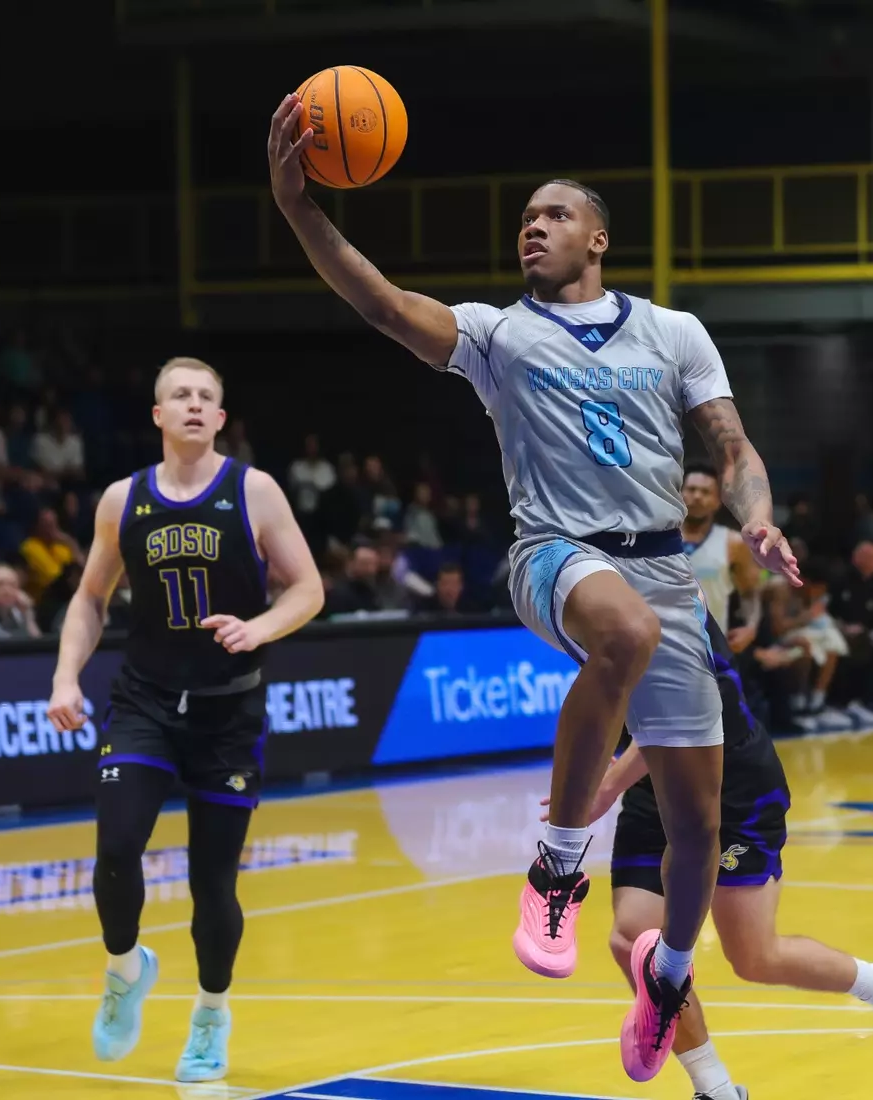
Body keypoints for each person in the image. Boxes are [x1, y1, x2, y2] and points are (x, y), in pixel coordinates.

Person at [268, 95, 800, 1081]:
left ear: (599, 236)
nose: (532, 226)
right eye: (525, 219)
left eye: (553, 215)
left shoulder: (674, 333)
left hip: (661, 574)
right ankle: (558, 862)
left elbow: (733, 444)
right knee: (624, 633)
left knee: (695, 828)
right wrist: (301, 210)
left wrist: (758, 510)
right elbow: (383, 303)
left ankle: (669, 979)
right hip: (557, 554)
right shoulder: (498, 336)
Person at [45, 358, 323, 1082]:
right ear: (159, 415)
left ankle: (210, 1014)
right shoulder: (121, 500)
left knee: (212, 887)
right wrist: (65, 675)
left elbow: (309, 589)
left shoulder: (253, 492)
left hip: (229, 712)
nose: (194, 405)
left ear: (221, 418)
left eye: (206, 397)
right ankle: (124, 971)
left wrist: (260, 628)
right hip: (144, 702)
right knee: (115, 847)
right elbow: (89, 598)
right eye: (180, 396)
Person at [553, 611, 873, 1099]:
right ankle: (714, 1088)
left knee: (754, 956)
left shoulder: (665, 587)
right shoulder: (584, 587)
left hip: (730, 781)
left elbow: (692, 710)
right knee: (634, 940)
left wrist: (607, 783)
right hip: (654, 781)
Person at [680, 464, 758, 632]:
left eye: (706, 492)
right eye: (691, 489)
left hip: (709, 645)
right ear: (679, 494)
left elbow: (749, 593)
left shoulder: (734, 543)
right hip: (662, 643)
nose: (697, 496)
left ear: (718, 501)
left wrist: (750, 626)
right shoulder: (658, 537)